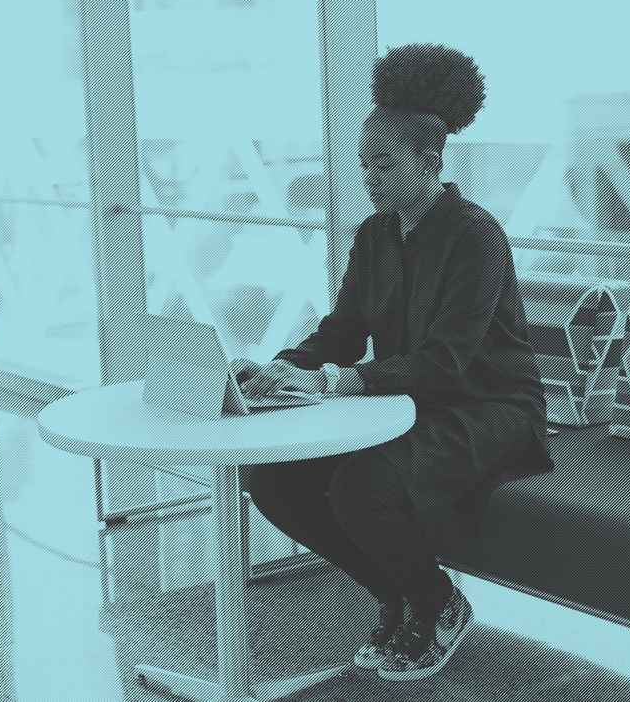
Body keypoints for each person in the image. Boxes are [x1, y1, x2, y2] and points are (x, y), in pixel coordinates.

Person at [232, 43, 554, 682]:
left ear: (431, 160)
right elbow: (344, 332)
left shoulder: (475, 234)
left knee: (361, 485)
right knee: (271, 477)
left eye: (383, 164)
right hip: (406, 403)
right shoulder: (375, 235)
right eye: (363, 163)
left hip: (489, 407)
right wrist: (277, 369)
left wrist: (335, 382)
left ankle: (436, 603)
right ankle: (398, 595)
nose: (368, 178)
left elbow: (447, 363)